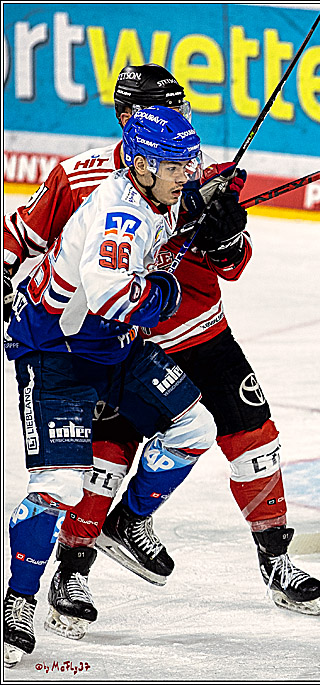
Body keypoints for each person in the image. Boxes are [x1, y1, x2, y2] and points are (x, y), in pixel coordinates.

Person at [3, 65, 320, 655]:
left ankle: (274, 558)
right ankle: (69, 572)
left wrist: (225, 234)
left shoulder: (186, 173)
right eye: (164, 109)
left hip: (195, 334)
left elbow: (233, 263)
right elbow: (23, 242)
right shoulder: (84, 179)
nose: (180, 120)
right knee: (92, 464)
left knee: (250, 437)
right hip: (110, 336)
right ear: (130, 123)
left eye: (182, 106)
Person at [2, 106, 217, 668]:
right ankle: (18, 601)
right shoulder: (119, 217)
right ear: (142, 165)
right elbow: (114, 299)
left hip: (114, 348)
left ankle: (127, 520)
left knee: (195, 428)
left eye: (189, 163)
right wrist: (168, 289)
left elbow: (174, 227)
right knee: (59, 486)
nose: (186, 174)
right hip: (58, 353)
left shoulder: (156, 193)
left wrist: (208, 213)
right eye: (176, 165)